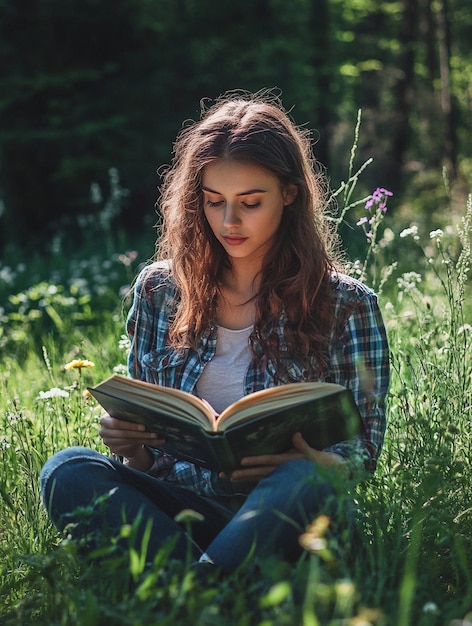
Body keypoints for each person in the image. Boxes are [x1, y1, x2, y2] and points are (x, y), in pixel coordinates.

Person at [40, 90, 390, 575]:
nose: (229, 221)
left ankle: (188, 591)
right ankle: (217, 586)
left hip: (286, 512)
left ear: (289, 193)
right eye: (213, 201)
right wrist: (132, 448)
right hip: (182, 509)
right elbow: (151, 455)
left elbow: (362, 456)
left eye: (250, 202)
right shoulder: (161, 290)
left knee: (305, 482)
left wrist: (310, 461)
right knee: (68, 469)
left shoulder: (347, 304)